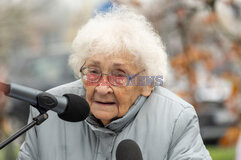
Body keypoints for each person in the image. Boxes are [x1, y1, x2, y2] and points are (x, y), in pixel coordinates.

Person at [17, 6, 211, 160]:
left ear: (147, 84)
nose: (102, 88)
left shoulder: (176, 119)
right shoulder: (50, 111)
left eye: (119, 75)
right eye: (93, 72)